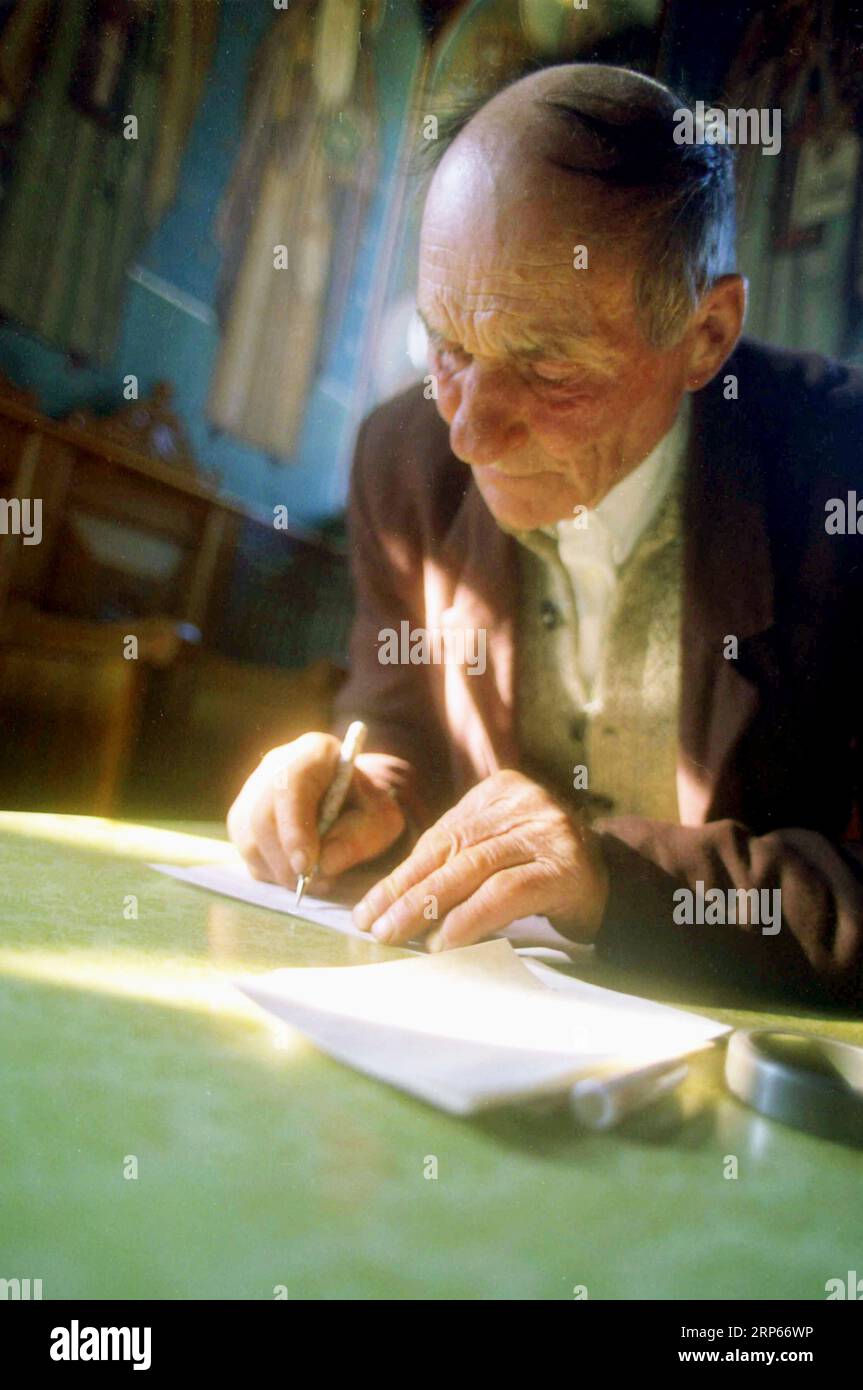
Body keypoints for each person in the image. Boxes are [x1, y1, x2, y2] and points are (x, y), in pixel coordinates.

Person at [228, 64, 863, 1006]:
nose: (467, 433)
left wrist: (619, 880)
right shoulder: (402, 459)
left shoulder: (836, 475)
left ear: (705, 333)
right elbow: (399, 715)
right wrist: (367, 793)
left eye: (549, 366)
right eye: (446, 345)